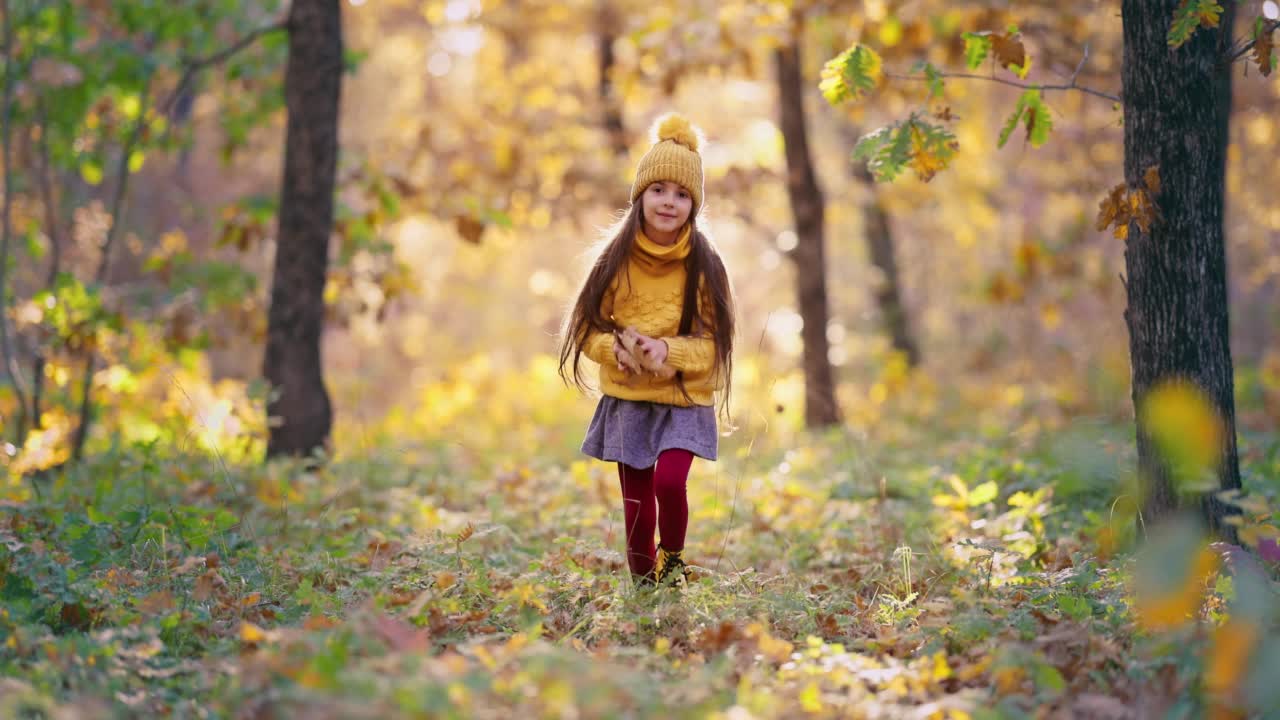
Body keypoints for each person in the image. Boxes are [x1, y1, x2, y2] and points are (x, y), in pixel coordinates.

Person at [558, 113, 736, 587]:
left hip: (683, 398)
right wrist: (613, 351)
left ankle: (673, 559)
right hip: (630, 398)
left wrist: (667, 352)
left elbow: (714, 348)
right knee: (636, 503)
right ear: (640, 195)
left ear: (693, 206)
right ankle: (643, 588)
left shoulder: (704, 264)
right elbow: (585, 330)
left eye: (682, 195)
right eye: (659, 189)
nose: (669, 202)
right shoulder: (615, 260)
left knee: (668, 482)